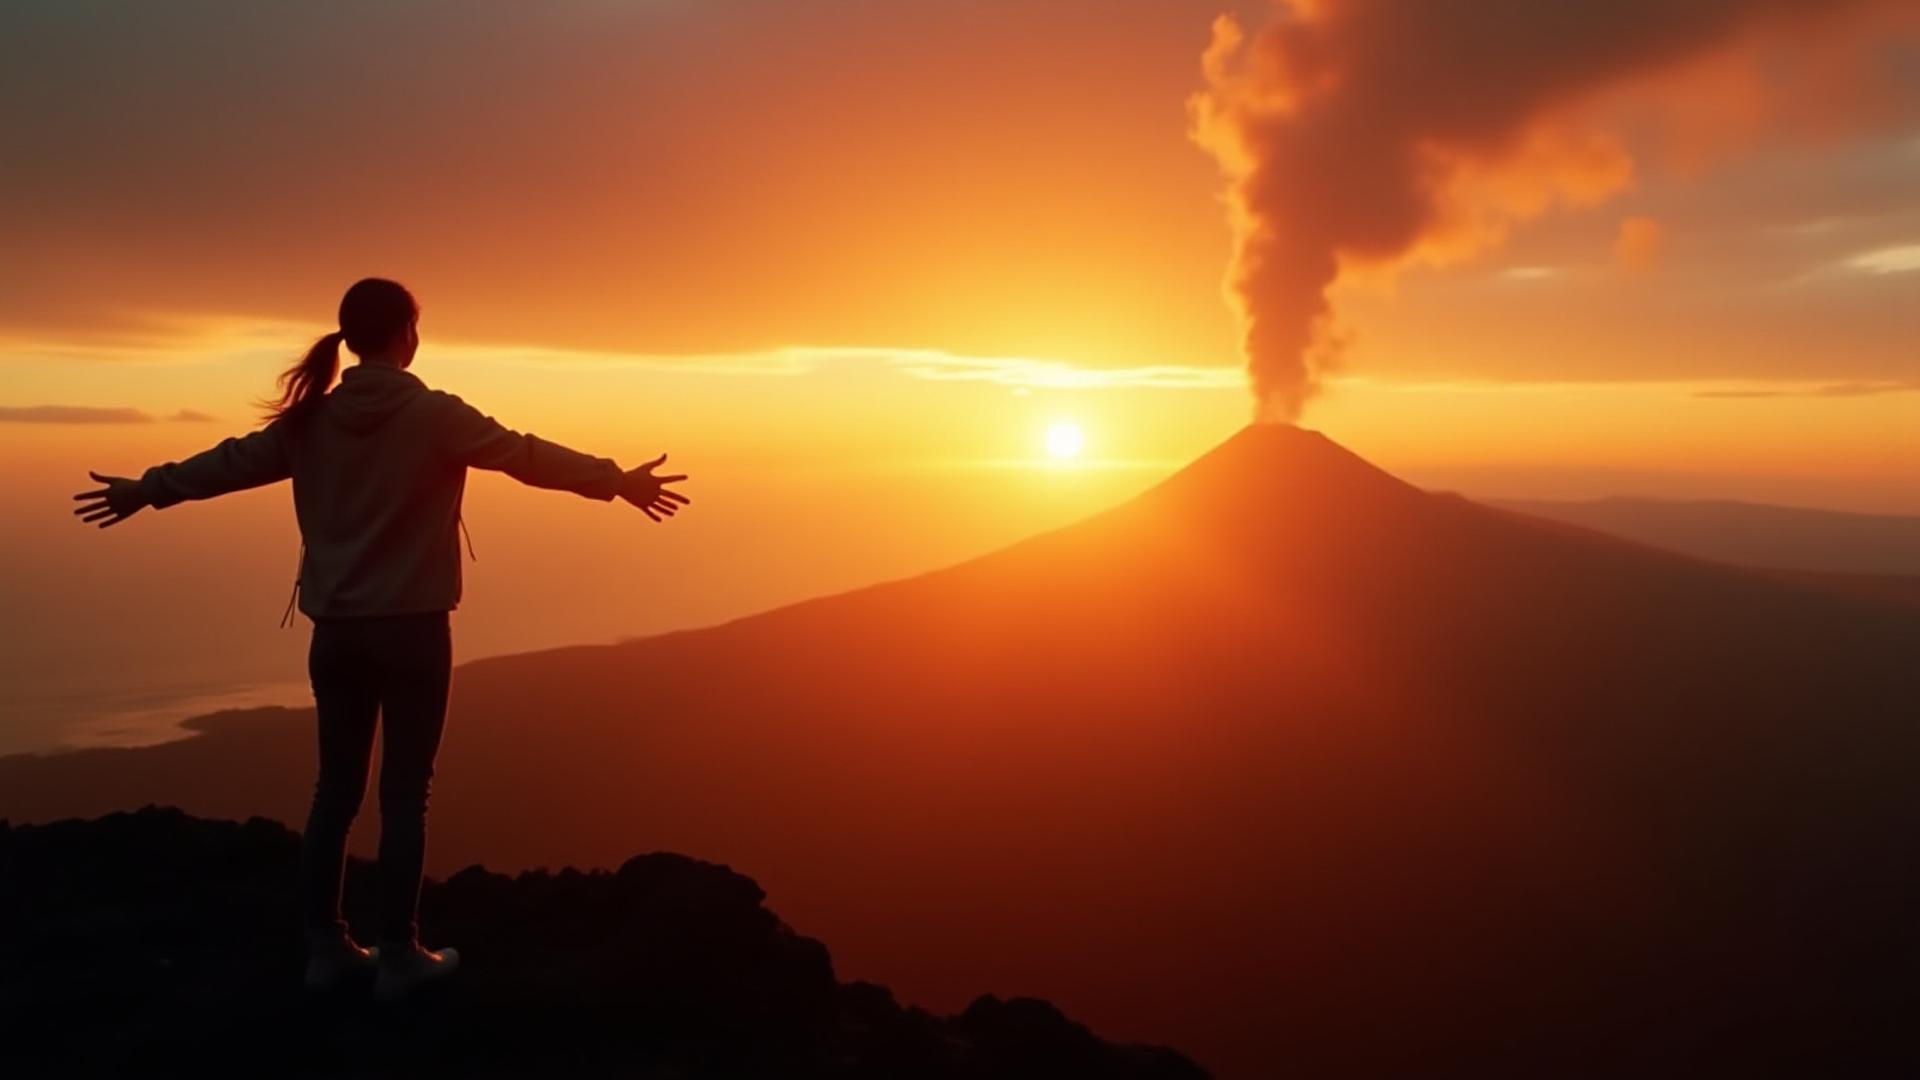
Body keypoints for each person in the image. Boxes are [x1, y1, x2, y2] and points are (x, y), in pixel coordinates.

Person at [71, 277, 690, 1000]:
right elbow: (522, 454)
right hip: (414, 630)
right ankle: (399, 956)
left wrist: (146, 489)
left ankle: (325, 950)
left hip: (335, 635)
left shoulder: (312, 420)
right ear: (407, 335)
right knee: (404, 795)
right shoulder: (433, 414)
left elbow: (230, 462)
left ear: (350, 337)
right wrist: (616, 481)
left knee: (333, 793)